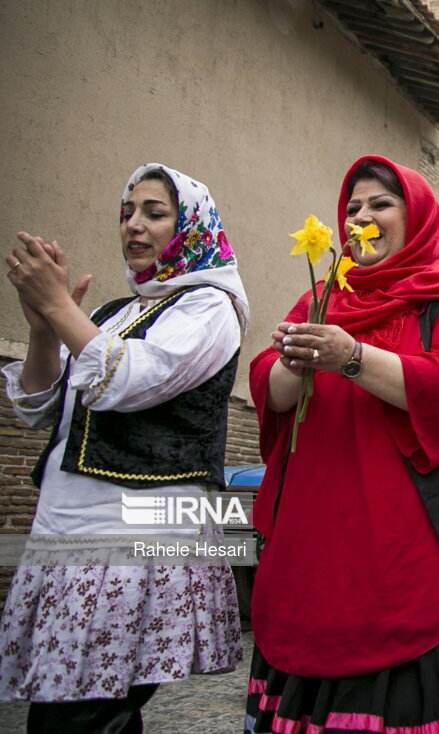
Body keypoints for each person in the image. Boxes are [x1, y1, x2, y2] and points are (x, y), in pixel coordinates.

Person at [245, 156, 439, 734]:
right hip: (316, 538)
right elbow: (268, 381)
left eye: (380, 205)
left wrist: (353, 358)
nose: (360, 217)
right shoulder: (326, 294)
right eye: (352, 208)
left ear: (415, 218)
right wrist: (294, 362)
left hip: (410, 541)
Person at [1, 164, 248, 732]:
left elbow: (130, 381)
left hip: (139, 534)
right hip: (68, 530)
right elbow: (38, 406)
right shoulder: (114, 314)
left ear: (191, 226)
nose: (134, 226)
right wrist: (44, 326)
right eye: (126, 212)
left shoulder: (208, 308)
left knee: (82, 712)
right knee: (74, 707)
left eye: (154, 214)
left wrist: (62, 309)